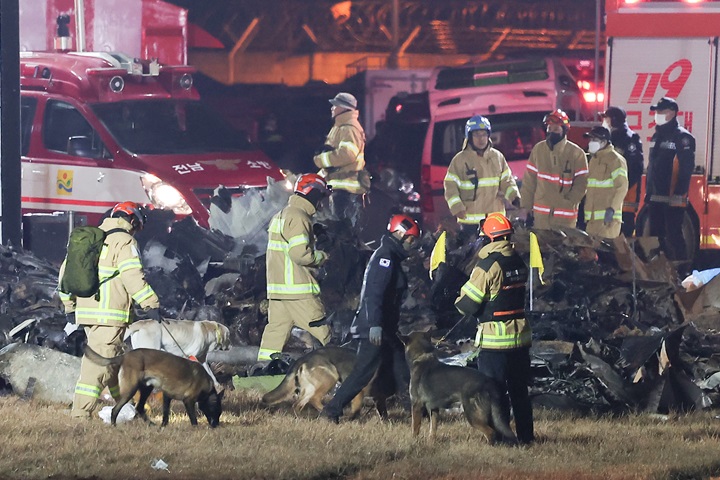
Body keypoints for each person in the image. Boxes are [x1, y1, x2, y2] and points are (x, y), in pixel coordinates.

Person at [60, 201, 160, 419]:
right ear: (132, 220)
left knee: (112, 363)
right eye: (137, 226)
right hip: (109, 316)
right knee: (96, 367)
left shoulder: (88, 239)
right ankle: (79, 415)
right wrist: (150, 304)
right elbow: (132, 277)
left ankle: (124, 407)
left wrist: (69, 306)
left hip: (87, 314)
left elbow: (64, 275)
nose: (136, 230)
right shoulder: (124, 241)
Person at [319, 214, 421, 423]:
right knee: (362, 373)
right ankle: (331, 411)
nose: (413, 244)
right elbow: (374, 295)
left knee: (401, 369)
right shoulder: (385, 258)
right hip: (373, 328)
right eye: (411, 239)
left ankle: (414, 411)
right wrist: (374, 325)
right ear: (400, 235)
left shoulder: (391, 256)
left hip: (386, 328)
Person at [453, 212, 533, 444]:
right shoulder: (518, 260)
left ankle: (502, 439)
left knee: (495, 393)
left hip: (495, 343)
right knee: (519, 392)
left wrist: (456, 298)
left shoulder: (487, 265)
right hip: (520, 338)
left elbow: (467, 304)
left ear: (488, 239)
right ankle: (526, 438)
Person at [257, 173, 332, 362]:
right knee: (324, 331)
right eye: (320, 196)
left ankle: (262, 372)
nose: (321, 202)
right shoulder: (299, 217)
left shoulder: (282, 215)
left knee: (274, 334)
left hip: (278, 290)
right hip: (298, 290)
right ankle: (340, 371)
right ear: (312, 193)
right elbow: (299, 254)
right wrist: (321, 257)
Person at [444, 115, 520, 242]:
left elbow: (507, 181)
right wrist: (457, 207)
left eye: (484, 134)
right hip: (470, 223)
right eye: (477, 135)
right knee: (471, 258)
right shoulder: (460, 160)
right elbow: (450, 187)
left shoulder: (497, 157)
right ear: (469, 137)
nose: (481, 139)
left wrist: (515, 197)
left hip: (495, 221)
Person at [520, 109, 588, 230]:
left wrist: (569, 202)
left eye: (556, 129)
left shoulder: (576, 153)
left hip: (565, 220)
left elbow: (582, 183)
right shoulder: (539, 150)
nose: (551, 132)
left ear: (564, 130)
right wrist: (525, 207)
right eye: (549, 129)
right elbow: (529, 182)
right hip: (541, 219)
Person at [646, 97, 696, 260]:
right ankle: (661, 273)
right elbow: (653, 166)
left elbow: (685, 169)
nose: (658, 114)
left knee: (674, 236)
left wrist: (678, 194)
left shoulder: (682, 138)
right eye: (656, 111)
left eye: (662, 111)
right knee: (655, 239)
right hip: (655, 197)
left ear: (673, 113)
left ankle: (681, 271)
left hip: (673, 198)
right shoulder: (656, 136)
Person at [313, 92, 369, 227]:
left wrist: (320, 160)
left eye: (335, 105)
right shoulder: (340, 127)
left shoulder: (349, 128)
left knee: (342, 231)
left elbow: (347, 155)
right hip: (339, 189)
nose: (332, 108)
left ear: (345, 108)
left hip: (346, 192)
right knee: (337, 230)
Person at [602, 107, 644, 237]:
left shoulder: (629, 139)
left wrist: (621, 188)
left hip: (626, 199)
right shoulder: (609, 138)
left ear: (614, 120)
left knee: (623, 237)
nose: (604, 122)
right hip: (611, 198)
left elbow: (635, 168)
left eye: (606, 119)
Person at [582, 126, 629, 239]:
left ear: (604, 142)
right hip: (592, 221)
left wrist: (612, 209)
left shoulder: (615, 160)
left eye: (594, 140)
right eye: (590, 140)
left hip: (608, 221)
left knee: (606, 254)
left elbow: (622, 187)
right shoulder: (594, 160)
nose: (591, 143)